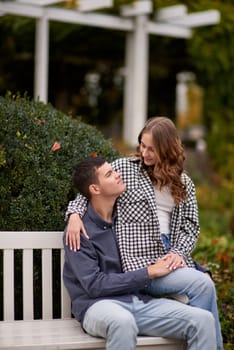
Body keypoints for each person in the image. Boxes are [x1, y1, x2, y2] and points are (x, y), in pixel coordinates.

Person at [65, 117, 223, 350]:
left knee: (203, 286)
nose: (144, 152)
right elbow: (89, 192)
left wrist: (179, 252)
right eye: (142, 145)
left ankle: (199, 338)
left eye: (152, 148)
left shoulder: (184, 182)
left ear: (167, 148)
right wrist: (74, 215)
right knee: (201, 285)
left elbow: (190, 226)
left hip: (168, 253)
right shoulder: (124, 170)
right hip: (139, 263)